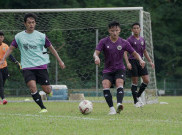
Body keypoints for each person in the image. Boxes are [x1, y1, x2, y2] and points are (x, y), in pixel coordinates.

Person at [0, 13, 65, 113]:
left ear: (35, 23)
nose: (31, 24)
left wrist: (60, 61)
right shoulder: (19, 37)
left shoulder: (41, 36)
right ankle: (43, 108)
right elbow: (11, 49)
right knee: (32, 87)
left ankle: (50, 90)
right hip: (27, 67)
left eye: (33, 22)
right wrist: (3, 59)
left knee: (46, 90)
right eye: (29, 23)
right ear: (25, 23)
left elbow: (52, 49)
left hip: (41, 66)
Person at [93, 21, 145, 115]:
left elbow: (134, 53)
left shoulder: (124, 42)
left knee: (119, 83)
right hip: (108, 69)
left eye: (116, 30)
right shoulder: (103, 41)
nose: (114, 32)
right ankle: (112, 109)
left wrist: (140, 60)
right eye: (112, 30)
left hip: (120, 68)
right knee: (105, 85)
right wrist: (96, 57)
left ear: (119, 30)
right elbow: (96, 52)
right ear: (109, 31)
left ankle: (119, 105)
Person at [124, 23, 155, 108]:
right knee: (135, 81)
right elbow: (125, 52)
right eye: (134, 28)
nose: (136, 29)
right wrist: (127, 63)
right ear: (132, 30)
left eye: (137, 28)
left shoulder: (142, 39)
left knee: (146, 80)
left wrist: (150, 61)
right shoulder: (129, 40)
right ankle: (135, 102)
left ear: (140, 29)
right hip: (132, 61)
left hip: (141, 61)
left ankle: (137, 95)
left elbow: (144, 51)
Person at [0, 31, 21, 105]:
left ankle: (1, 97)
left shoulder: (5, 46)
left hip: (4, 67)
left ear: (3, 38)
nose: (0, 38)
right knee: (0, 83)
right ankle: (3, 99)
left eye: (1, 37)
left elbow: (10, 55)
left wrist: (16, 62)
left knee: (3, 84)